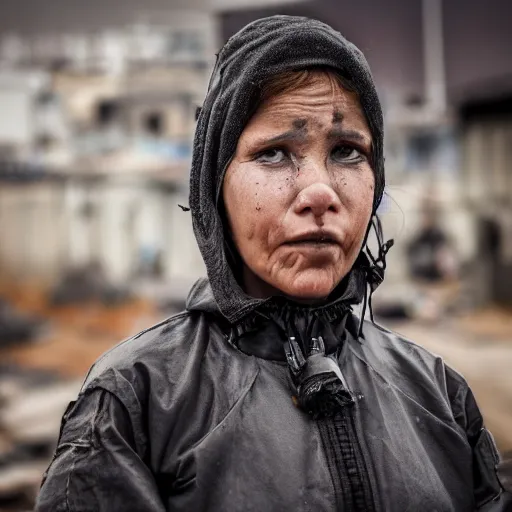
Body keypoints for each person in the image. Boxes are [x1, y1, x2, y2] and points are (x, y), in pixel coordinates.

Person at [36, 16, 511, 511]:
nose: (320, 193)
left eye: (348, 151)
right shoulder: (135, 406)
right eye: (275, 154)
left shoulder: (439, 394)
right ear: (213, 189)